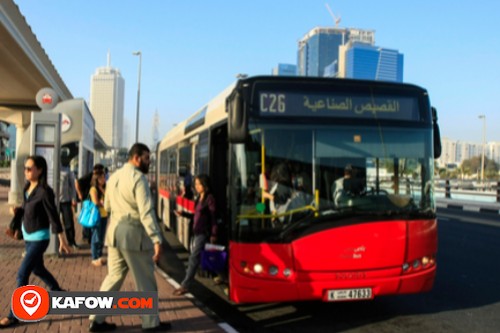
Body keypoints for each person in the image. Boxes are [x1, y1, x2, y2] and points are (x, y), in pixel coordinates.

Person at [88, 143, 170, 332]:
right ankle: (151, 324)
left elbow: (107, 207)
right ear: (136, 158)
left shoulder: (114, 176)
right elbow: (146, 212)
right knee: (145, 280)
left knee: (113, 277)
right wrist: (156, 238)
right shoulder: (139, 179)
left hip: (114, 232)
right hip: (134, 234)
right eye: (147, 158)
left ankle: (96, 319)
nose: (149, 162)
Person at [0, 155, 72, 329]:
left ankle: (13, 315)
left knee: (22, 274)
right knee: (38, 268)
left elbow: (54, 216)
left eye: (30, 168)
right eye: (25, 168)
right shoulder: (27, 187)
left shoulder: (45, 191)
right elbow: (28, 208)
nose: (26, 171)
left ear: (40, 170)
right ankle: (57, 290)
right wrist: (16, 211)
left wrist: (62, 240)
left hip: (40, 238)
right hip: (28, 237)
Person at [173, 174, 217, 296]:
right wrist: (183, 214)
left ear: (205, 185)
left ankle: (185, 285)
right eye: (195, 184)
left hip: (203, 233)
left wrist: (214, 233)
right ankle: (222, 275)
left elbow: (213, 218)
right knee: (206, 256)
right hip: (196, 232)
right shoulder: (199, 198)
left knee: (193, 258)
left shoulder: (210, 199)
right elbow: (196, 216)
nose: (196, 186)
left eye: (199, 184)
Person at [75, 164, 105, 244]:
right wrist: (79, 194)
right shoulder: (89, 176)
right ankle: (86, 236)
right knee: (88, 216)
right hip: (88, 199)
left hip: (94, 199)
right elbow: (77, 182)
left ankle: (90, 236)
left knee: (93, 216)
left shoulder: (100, 178)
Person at [89, 169, 108, 267]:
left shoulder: (104, 188)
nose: (104, 179)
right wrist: (102, 203)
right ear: (97, 179)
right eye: (102, 177)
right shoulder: (93, 189)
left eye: (104, 177)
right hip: (97, 215)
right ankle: (94, 257)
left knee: (101, 237)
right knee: (95, 236)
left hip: (104, 215)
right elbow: (95, 202)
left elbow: (108, 198)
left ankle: (100, 256)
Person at [59, 154, 79, 249]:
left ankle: (71, 241)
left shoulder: (67, 171)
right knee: (53, 223)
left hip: (65, 201)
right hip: (53, 201)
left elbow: (72, 186)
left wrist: (73, 198)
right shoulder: (49, 170)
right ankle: (57, 243)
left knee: (68, 222)